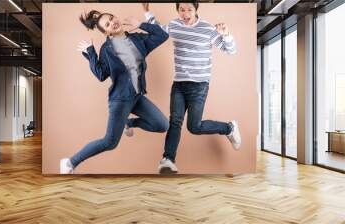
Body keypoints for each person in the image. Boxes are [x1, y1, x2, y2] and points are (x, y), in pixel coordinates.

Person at [60, 10, 169, 174]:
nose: (112, 23)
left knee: (162, 124)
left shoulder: (137, 39)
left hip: (137, 97)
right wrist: (91, 52)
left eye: (111, 18)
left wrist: (140, 24)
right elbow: (101, 75)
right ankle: (70, 162)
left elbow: (162, 35)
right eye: (107, 24)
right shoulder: (106, 50)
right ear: (107, 32)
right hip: (121, 100)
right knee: (110, 142)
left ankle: (129, 123)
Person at [142, 2, 241, 174]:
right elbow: (158, 29)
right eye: (182, 10)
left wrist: (227, 35)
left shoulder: (207, 29)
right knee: (175, 121)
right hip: (179, 83)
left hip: (199, 85)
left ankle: (229, 128)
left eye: (189, 9)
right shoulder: (174, 25)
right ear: (178, 11)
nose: (185, 13)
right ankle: (168, 159)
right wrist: (146, 13)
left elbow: (230, 50)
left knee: (194, 127)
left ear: (196, 10)